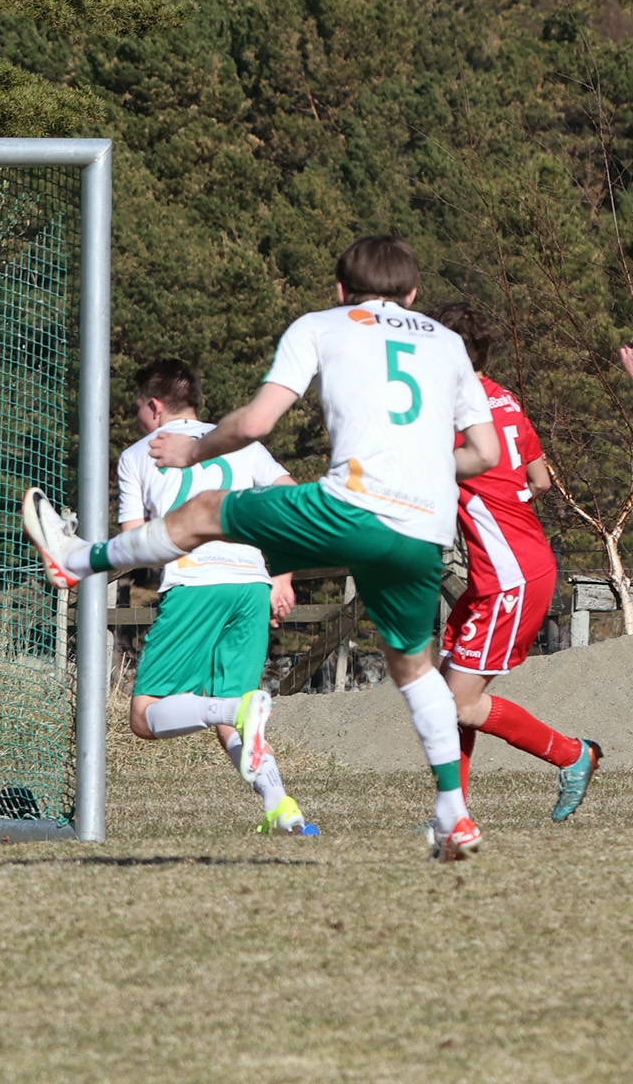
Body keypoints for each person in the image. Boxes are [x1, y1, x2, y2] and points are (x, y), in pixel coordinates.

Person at [24, 235, 500, 862]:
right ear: (413, 295)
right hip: (422, 529)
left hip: (349, 506)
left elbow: (254, 424)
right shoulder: (447, 344)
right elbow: (484, 454)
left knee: (204, 512)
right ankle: (453, 812)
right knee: (413, 668)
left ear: (339, 290)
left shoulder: (320, 325)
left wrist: (194, 451)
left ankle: (78, 559)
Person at [116, 360, 313, 835]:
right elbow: (291, 500)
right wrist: (281, 577)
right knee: (232, 708)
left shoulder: (138, 453)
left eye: (139, 407)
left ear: (155, 406)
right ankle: (282, 809)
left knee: (144, 717)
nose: (140, 418)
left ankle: (234, 709)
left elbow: (134, 541)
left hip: (195, 583)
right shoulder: (238, 441)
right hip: (250, 584)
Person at [423, 302, 599, 819]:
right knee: (446, 689)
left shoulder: (451, 415)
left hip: (510, 576)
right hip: (515, 564)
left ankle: (573, 755)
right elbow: (540, 479)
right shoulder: (504, 399)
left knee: (456, 703)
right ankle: (452, 813)